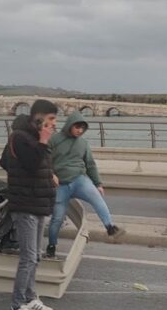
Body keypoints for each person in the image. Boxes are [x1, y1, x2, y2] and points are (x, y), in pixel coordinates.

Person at [0, 99, 58, 310]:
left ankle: (31, 297)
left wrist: (49, 174)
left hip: (38, 201)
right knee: (28, 258)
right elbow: (31, 163)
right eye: (51, 119)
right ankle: (16, 306)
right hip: (25, 204)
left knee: (36, 256)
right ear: (39, 117)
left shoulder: (32, 137)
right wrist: (43, 141)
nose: (54, 123)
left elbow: (37, 164)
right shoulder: (20, 138)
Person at [45, 111, 125, 259]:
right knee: (57, 218)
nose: (80, 130)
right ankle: (51, 246)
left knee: (97, 198)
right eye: (77, 127)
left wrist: (98, 183)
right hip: (61, 185)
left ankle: (110, 227)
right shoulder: (54, 140)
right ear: (70, 125)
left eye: (82, 128)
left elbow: (90, 164)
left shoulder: (83, 143)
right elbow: (45, 159)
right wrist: (51, 174)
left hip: (80, 180)